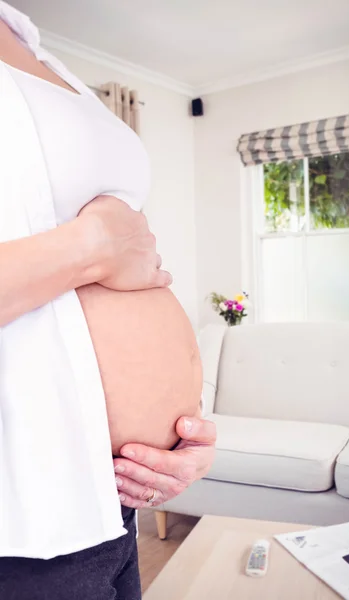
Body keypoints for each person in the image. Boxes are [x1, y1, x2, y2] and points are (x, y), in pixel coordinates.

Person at [0, 3, 216, 599]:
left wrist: (174, 438)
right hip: (22, 531)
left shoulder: (37, 46)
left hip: (107, 506)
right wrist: (91, 246)